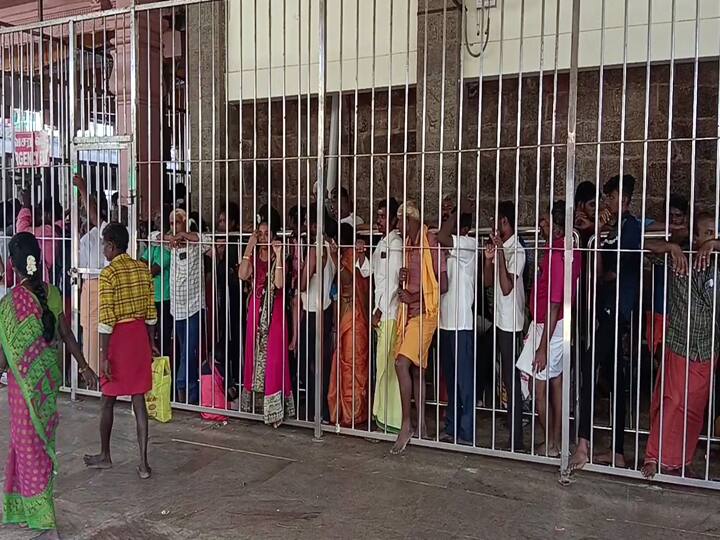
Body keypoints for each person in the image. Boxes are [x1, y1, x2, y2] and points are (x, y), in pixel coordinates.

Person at [0, 232, 96, 538]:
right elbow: (66, 335)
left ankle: (41, 515)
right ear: (38, 262)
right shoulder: (53, 293)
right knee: (35, 445)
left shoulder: (9, 305)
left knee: (26, 445)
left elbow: (3, 363)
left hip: (21, 389)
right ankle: (22, 508)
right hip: (46, 384)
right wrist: (83, 366)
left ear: (13, 267)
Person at [571, 174, 642, 469]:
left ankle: (584, 445)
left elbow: (619, 263)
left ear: (623, 200)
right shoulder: (612, 229)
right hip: (605, 309)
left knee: (589, 367)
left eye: (611, 198)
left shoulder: (631, 227)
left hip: (617, 311)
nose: (607, 203)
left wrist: (599, 230)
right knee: (616, 378)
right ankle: (617, 452)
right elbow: (600, 270)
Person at [641, 212, 720, 478]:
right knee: (672, 401)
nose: (711, 238)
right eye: (706, 234)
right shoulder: (680, 257)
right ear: (695, 237)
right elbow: (643, 242)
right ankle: (653, 456)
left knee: (695, 408)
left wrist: (714, 245)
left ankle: (682, 460)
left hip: (707, 346)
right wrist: (671, 247)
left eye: (714, 233)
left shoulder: (717, 263)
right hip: (680, 342)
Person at [83, 223, 157, 480]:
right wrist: (151, 342)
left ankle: (105, 455)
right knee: (139, 400)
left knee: (108, 399)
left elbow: (106, 318)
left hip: (118, 339)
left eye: (104, 244)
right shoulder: (141, 269)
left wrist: (104, 356)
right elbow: (150, 311)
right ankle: (144, 463)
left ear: (112, 245)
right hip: (138, 337)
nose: (103, 248)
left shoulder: (109, 274)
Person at [516, 201, 581, 457]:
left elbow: (554, 303)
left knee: (539, 385)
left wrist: (542, 346)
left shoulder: (557, 254)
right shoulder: (569, 249)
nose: (540, 224)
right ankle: (556, 441)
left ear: (556, 225)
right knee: (557, 383)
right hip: (557, 324)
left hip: (551, 326)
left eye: (545, 220)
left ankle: (551, 443)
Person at [391, 201, 448, 455]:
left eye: (399, 220)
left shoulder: (430, 242)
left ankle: (407, 424)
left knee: (401, 363)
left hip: (425, 314)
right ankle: (423, 426)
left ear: (411, 219)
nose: (397, 226)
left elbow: (442, 285)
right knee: (417, 372)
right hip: (411, 312)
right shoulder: (410, 246)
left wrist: (413, 298)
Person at [238, 205, 295, 426]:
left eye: (266, 234)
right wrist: (250, 247)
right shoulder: (254, 255)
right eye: (259, 233)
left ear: (274, 234)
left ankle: (275, 409)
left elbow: (279, 284)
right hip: (256, 309)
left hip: (276, 311)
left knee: (273, 356)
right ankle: (256, 405)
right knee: (255, 355)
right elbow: (243, 275)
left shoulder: (280, 256)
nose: (263, 237)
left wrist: (278, 255)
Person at [484, 201, 527, 450]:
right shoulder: (502, 249)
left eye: (499, 222)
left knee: (512, 381)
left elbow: (506, 287)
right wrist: (489, 259)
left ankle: (517, 440)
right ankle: (513, 433)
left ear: (507, 223)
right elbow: (489, 282)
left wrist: (499, 253)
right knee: (505, 378)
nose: (495, 227)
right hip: (500, 320)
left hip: (511, 323)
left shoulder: (517, 251)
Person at [437, 210, 477, 444]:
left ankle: (467, 430)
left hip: (461, 323)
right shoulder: (450, 249)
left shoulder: (468, 245)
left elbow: (441, 235)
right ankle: (452, 426)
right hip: (446, 322)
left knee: (464, 381)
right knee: (451, 381)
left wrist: (456, 211)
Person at [165, 208, 212, 405]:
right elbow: (152, 236)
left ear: (186, 223)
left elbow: (209, 240)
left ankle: (182, 387)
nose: (174, 227)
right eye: (172, 223)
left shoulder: (195, 244)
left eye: (177, 223)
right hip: (177, 307)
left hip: (193, 306)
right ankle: (190, 393)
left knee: (189, 350)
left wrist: (185, 235)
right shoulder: (171, 244)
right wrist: (170, 237)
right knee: (185, 349)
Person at [328, 223, 371, 427]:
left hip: (356, 318)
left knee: (353, 367)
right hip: (347, 317)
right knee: (346, 365)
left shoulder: (352, 255)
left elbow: (348, 281)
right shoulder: (348, 255)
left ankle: (354, 413)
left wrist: (337, 258)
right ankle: (347, 412)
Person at [298, 205, 336, 422]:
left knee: (313, 363)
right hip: (326, 308)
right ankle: (323, 409)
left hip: (312, 311)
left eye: (307, 221)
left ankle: (315, 411)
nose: (305, 225)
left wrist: (304, 267)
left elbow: (303, 285)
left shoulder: (315, 249)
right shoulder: (331, 246)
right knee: (323, 361)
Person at [370, 198, 404, 432]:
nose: (379, 220)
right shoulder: (382, 243)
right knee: (382, 365)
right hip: (381, 312)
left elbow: (394, 283)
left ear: (393, 219)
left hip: (390, 313)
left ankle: (390, 419)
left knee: (388, 367)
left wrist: (380, 309)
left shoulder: (396, 244)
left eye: (383, 216)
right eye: (378, 216)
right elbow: (371, 272)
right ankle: (382, 415)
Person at [645, 195, 689, 361]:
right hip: (659, 308)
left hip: (682, 312)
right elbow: (636, 235)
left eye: (678, 216)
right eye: (670, 216)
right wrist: (671, 246)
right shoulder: (658, 237)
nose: (674, 220)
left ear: (686, 217)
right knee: (659, 357)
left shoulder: (693, 242)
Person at [74, 175, 110, 380]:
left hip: (99, 286)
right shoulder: (83, 236)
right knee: (87, 334)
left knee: (99, 335)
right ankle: (89, 377)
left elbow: (94, 216)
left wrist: (82, 189)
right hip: (86, 287)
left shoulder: (104, 232)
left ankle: (99, 378)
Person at [215, 202, 242, 389]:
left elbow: (230, 272)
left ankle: (237, 377)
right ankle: (228, 376)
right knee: (225, 334)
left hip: (235, 295)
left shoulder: (235, 241)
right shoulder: (222, 240)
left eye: (224, 221)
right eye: (220, 220)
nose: (220, 223)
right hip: (225, 294)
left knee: (235, 336)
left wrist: (222, 255)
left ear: (232, 223)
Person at [141, 205, 173, 358]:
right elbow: (142, 262)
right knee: (149, 337)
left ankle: (164, 373)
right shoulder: (155, 243)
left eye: (159, 217)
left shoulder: (169, 245)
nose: (156, 220)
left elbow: (152, 270)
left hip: (165, 297)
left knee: (164, 338)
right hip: (151, 296)